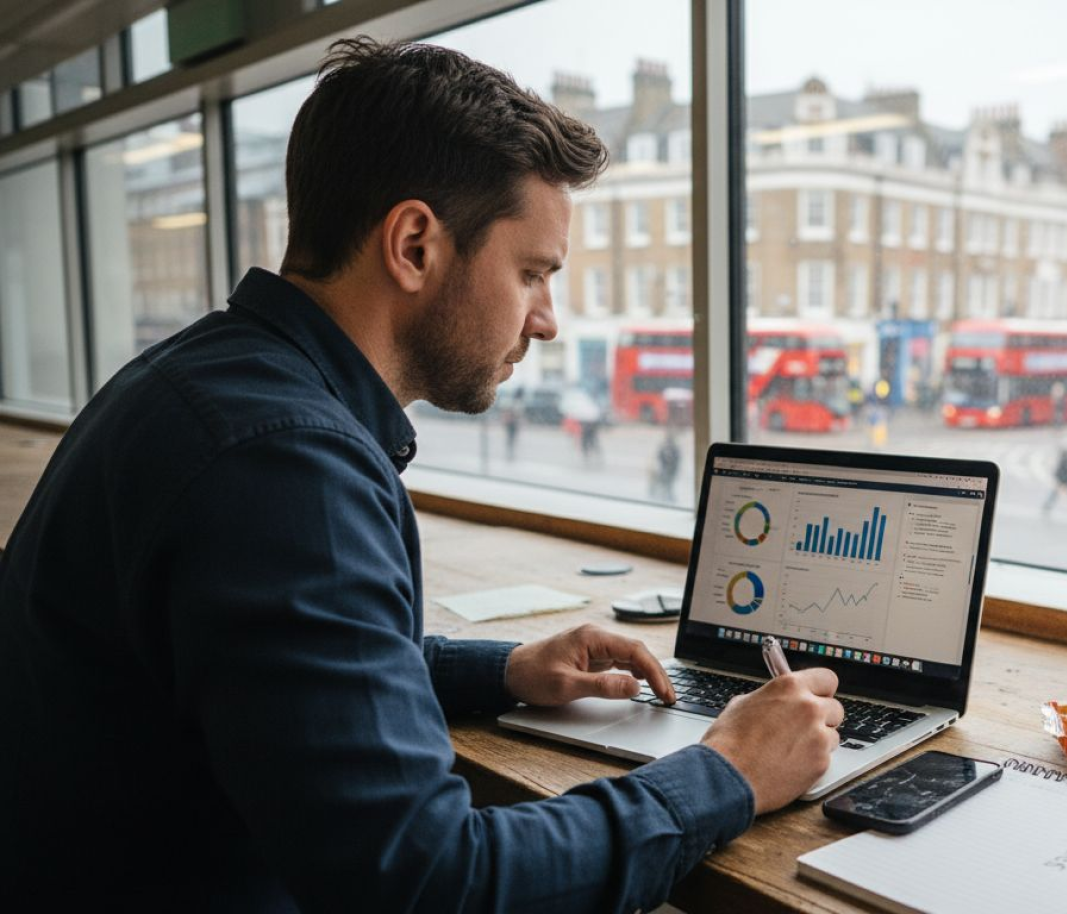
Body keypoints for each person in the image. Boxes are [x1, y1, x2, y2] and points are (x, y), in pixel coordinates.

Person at [0, 38, 843, 912]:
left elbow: (291, 677)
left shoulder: (202, 382)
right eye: (532, 274)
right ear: (412, 245)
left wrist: (504, 671)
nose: (547, 320)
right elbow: (432, 883)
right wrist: (727, 771)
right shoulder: (285, 466)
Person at [1041, 445, 1067, 517]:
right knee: (1059, 495)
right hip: (1064, 481)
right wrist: (1064, 481)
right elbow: (1062, 472)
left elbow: (1059, 472)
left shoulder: (1064, 461)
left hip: (1063, 481)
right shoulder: (1064, 461)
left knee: (1056, 495)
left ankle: (1047, 506)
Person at [650, 428, 682, 502]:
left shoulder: (674, 449)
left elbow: (676, 460)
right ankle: (664, 497)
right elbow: (659, 456)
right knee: (665, 485)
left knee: (668, 485)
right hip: (665, 470)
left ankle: (667, 498)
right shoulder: (665, 448)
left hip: (670, 471)